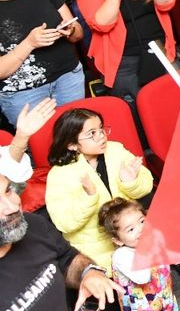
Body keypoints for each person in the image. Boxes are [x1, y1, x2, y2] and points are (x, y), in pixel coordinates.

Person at [0, 169, 125, 310]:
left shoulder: (31, 223)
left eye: (8, 190)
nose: (13, 207)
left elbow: (66, 258)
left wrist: (88, 272)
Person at [45, 107, 154, 267]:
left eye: (101, 129)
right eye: (92, 134)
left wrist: (130, 183)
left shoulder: (115, 149)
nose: (102, 136)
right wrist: (88, 198)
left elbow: (147, 186)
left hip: (135, 239)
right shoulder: (59, 174)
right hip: (96, 253)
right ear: (72, 145)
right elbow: (64, 223)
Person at [0, 0, 84, 125]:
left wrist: (70, 30)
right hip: (23, 93)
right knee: (40, 140)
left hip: (68, 77)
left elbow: (78, 33)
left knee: (76, 135)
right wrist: (29, 43)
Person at [99, 198, 177, 310]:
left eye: (142, 221)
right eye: (131, 229)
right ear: (118, 240)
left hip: (165, 298)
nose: (141, 229)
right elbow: (142, 278)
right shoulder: (122, 256)